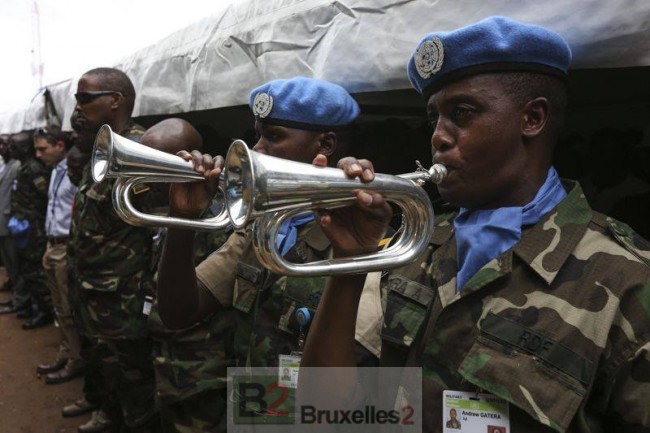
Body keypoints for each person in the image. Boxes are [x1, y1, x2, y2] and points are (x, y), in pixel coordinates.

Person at [301, 16, 650, 432]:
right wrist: (350, 262)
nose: (438, 138)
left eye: (462, 113)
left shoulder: (629, 279)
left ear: (532, 119)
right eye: (435, 119)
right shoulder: (419, 242)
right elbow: (329, 410)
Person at [157, 77, 377, 375]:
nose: (256, 149)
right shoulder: (261, 227)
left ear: (325, 144)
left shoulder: (368, 246)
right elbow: (178, 312)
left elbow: (349, 390)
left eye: (273, 136)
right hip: (251, 410)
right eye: (257, 135)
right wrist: (182, 219)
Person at [67, 67, 157, 433]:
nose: (77, 107)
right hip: (93, 292)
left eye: (85, 98)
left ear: (115, 101)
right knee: (105, 369)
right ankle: (108, 416)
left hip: (122, 299)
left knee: (133, 384)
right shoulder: (103, 149)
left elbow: (159, 230)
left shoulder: (140, 151)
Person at [140, 118, 234, 433]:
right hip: (171, 357)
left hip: (204, 371)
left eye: (153, 165)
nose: (142, 177)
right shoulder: (157, 206)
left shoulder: (219, 217)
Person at [32, 125, 84, 385]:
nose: (39, 155)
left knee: (67, 306)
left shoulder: (74, 173)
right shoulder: (55, 171)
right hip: (53, 246)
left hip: (65, 246)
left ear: (59, 146)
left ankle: (76, 359)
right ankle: (66, 352)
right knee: (58, 306)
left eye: (43, 149)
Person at [7, 131, 52, 329]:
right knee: (26, 268)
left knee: (35, 271)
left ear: (25, 148)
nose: (10, 149)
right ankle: (30, 305)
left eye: (14, 146)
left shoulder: (34, 169)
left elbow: (44, 196)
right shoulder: (24, 168)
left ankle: (45, 311)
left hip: (34, 229)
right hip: (23, 227)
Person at [0, 134, 23, 311]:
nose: (2, 148)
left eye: (5, 144)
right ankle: (16, 294)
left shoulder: (17, 166)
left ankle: (20, 299)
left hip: (10, 222)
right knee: (8, 261)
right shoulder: (4, 165)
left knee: (16, 261)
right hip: (2, 222)